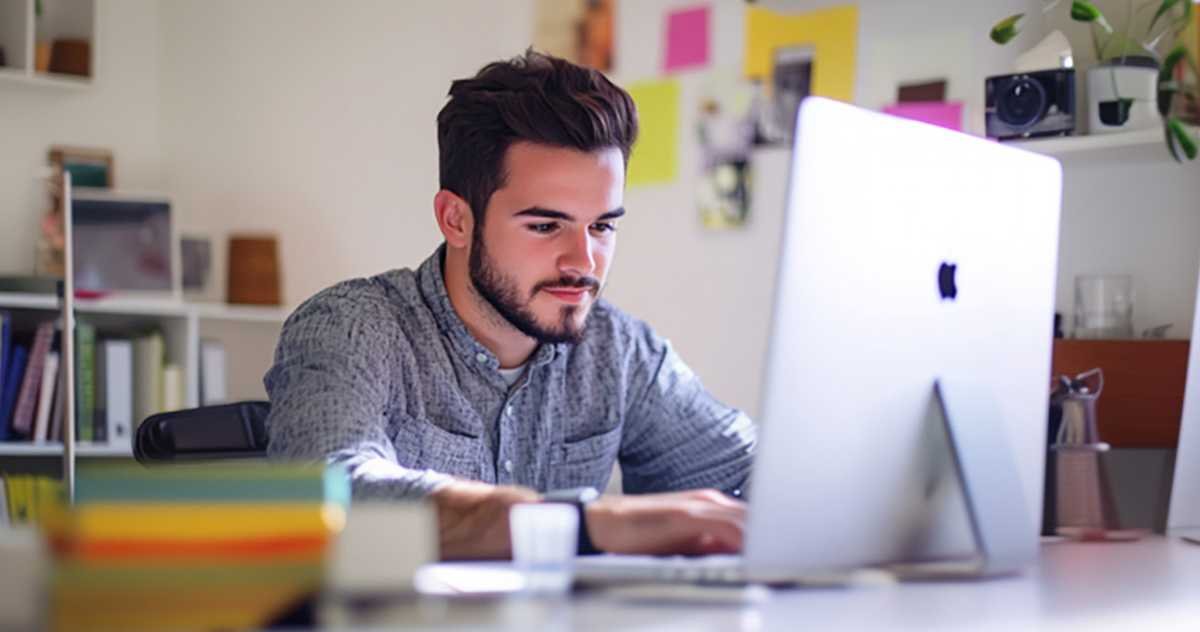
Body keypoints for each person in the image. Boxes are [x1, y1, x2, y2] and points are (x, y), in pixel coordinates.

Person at [264, 50, 756, 560]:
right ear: (456, 219)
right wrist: (584, 523)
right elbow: (327, 496)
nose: (583, 261)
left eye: (602, 226)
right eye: (545, 225)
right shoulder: (349, 327)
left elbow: (748, 474)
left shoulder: (620, 351)